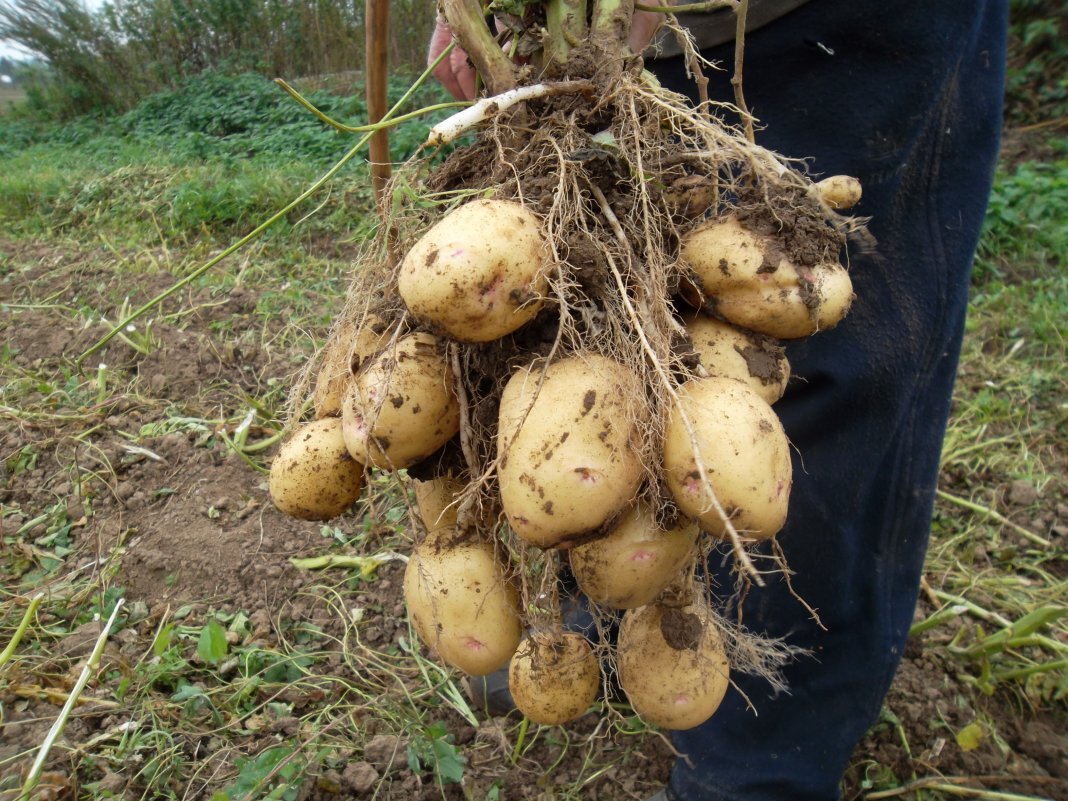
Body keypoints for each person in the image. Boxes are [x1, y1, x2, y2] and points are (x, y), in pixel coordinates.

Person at [428, 2, 1008, 799]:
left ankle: (769, 752)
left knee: (823, 362)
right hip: (671, 35)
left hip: (849, 25)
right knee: (608, 307)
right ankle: (606, 597)